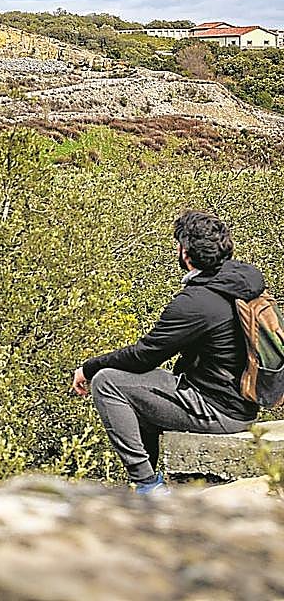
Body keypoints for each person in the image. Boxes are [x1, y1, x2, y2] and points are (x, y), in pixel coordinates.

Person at [72, 210, 263, 494]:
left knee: (108, 381)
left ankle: (148, 485)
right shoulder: (242, 279)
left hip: (219, 411)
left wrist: (88, 368)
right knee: (142, 385)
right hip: (241, 403)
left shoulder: (196, 303)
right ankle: (150, 478)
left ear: (186, 254)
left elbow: (144, 355)